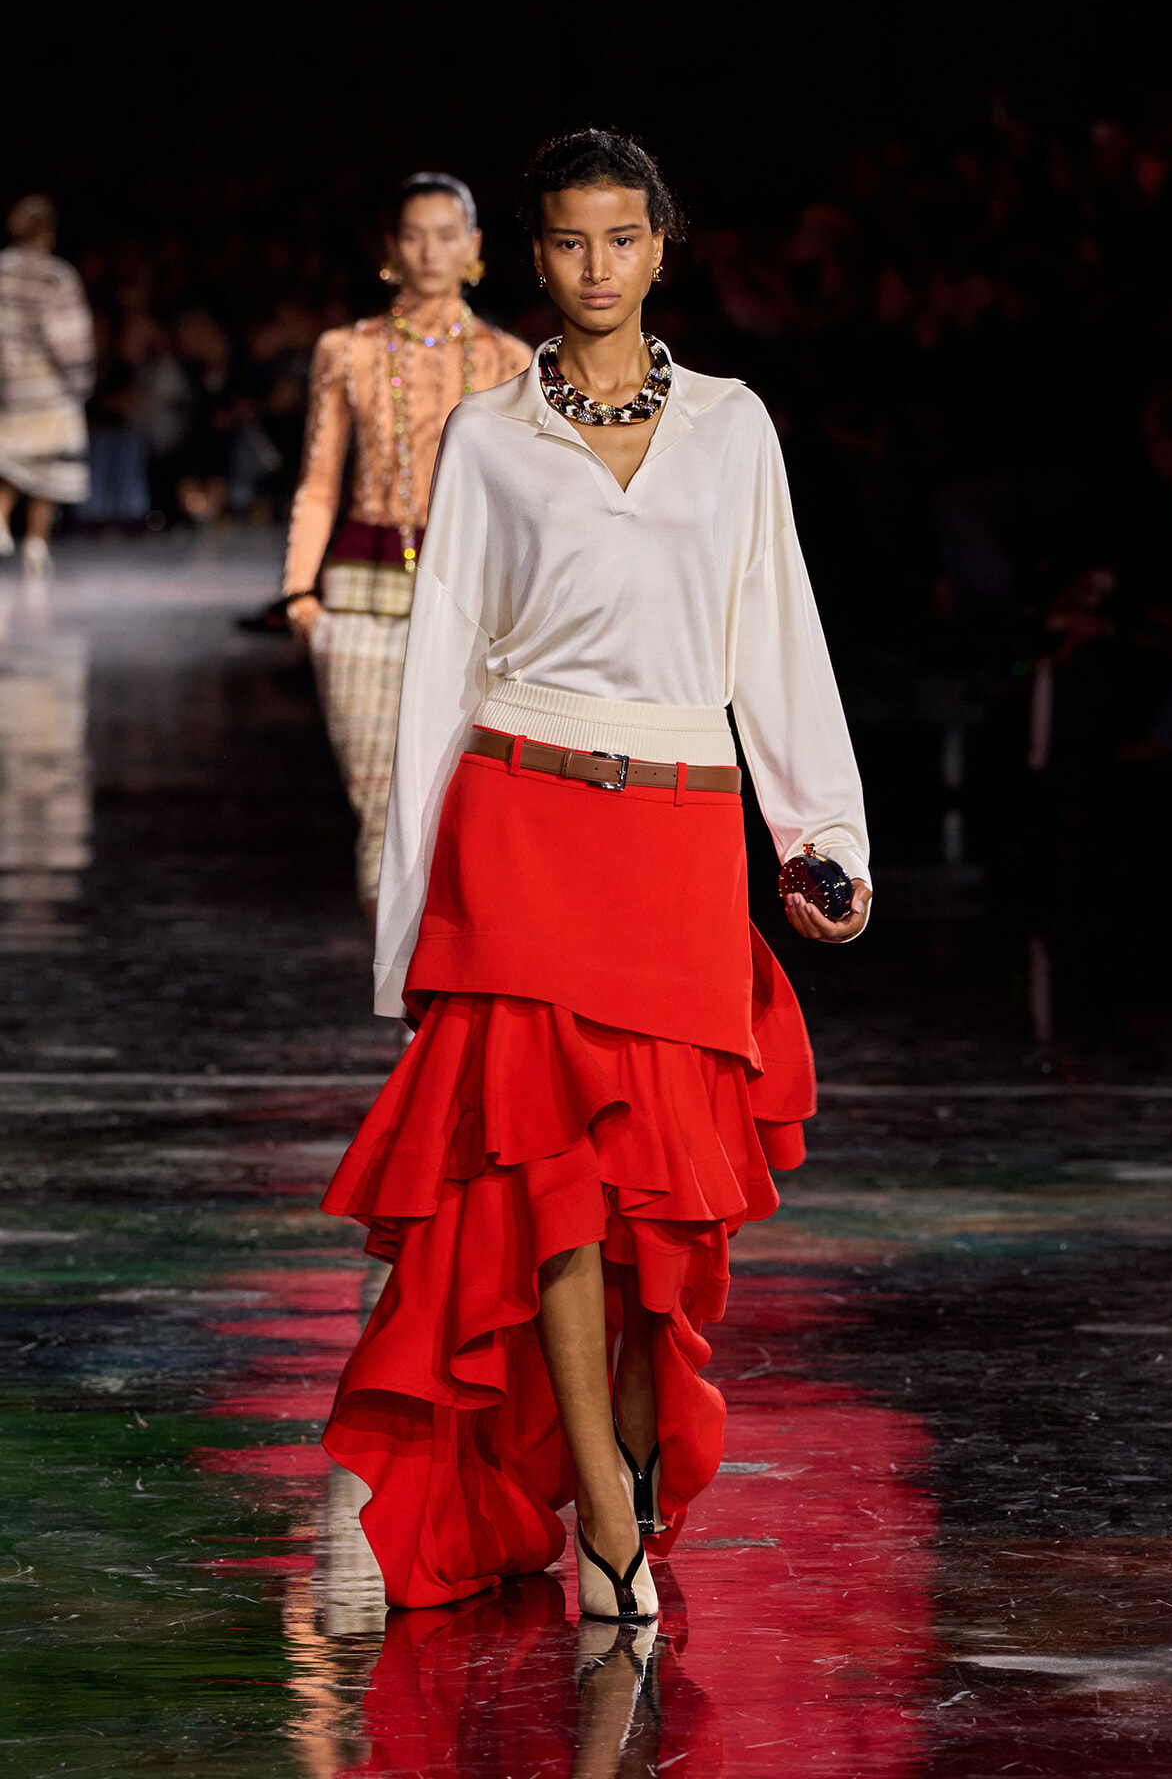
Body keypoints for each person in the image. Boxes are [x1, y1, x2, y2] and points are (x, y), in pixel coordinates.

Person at [319, 130, 872, 1620]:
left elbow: (779, 633)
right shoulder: (489, 436)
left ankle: (621, 1459)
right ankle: (604, 1499)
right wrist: (406, 926)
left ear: (662, 247)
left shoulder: (735, 428)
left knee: (659, 1210)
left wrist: (822, 834)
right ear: (538, 254)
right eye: (567, 242)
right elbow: (440, 671)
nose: (594, 268)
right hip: (525, 826)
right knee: (552, 1187)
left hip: (682, 833)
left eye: (622, 239)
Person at [280, 173, 531, 915]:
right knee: (379, 807)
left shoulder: (507, 359)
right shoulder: (346, 350)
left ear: (474, 247)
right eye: (415, 235)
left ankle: (438, 1007)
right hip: (357, 598)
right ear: (391, 247)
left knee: (456, 806)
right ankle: (404, 1002)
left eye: (447, 235)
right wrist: (299, 594)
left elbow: (524, 501)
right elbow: (319, 482)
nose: (430, 251)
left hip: (471, 604)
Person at [0, 196, 95, 575]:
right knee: (49, 467)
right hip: (48, 386)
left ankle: (1, 520)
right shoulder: (55, 276)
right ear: (49, 233)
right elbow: (68, 338)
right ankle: (37, 545)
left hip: (7, 383)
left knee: (10, 458)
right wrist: (80, 380)